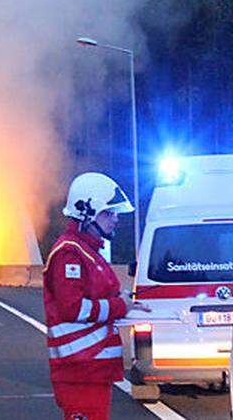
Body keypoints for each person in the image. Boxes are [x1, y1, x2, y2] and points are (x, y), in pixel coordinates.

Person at [44, 172, 150, 420]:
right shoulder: (70, 254)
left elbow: (97, 296)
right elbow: (73, 309)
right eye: (108, 213)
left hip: (92, 368)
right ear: (87, 213)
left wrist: (124, 301)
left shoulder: (87, 251)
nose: (115, 219)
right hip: (79, 369)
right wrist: (119, 306)